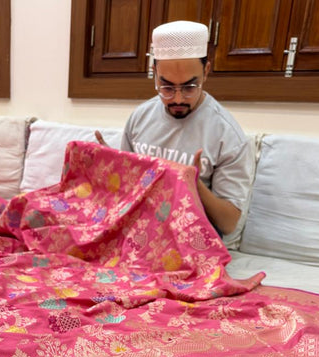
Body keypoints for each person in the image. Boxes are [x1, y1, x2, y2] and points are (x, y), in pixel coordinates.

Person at [97, 20, 252, 237]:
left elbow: (228, 224)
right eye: (167, 87)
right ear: (154, 73)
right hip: (140, 230)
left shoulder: (227, 135)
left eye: (189, 87)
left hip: (190, 239)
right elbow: (129, 193)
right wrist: (114, 166)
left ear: (206, 72)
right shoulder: (140, 118)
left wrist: (194, 184)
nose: (178, 99)